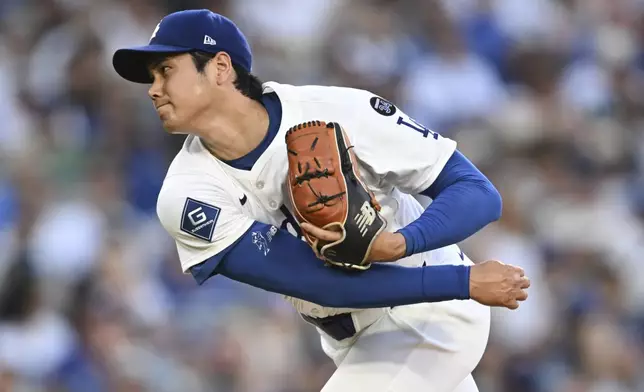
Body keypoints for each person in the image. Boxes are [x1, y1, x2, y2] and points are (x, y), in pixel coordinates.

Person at [112, 9, 530, 392]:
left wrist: (405, 246)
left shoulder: (337, 110)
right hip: (358, 337)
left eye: (166, 70)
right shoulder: (187, 194)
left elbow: (478, 193)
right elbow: (312, 280)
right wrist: (463, 283)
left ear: (220, 67)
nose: (154, 89)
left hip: (430, 315)